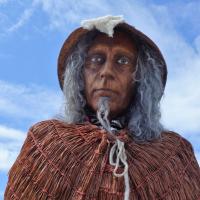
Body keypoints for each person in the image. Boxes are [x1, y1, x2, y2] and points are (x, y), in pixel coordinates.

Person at [4, 15, 200, 200]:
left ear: (141, 79)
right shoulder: (45, 143)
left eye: (122, 61)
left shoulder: (173, 156)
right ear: (80, 74)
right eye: (96, 60)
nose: (106, 72)